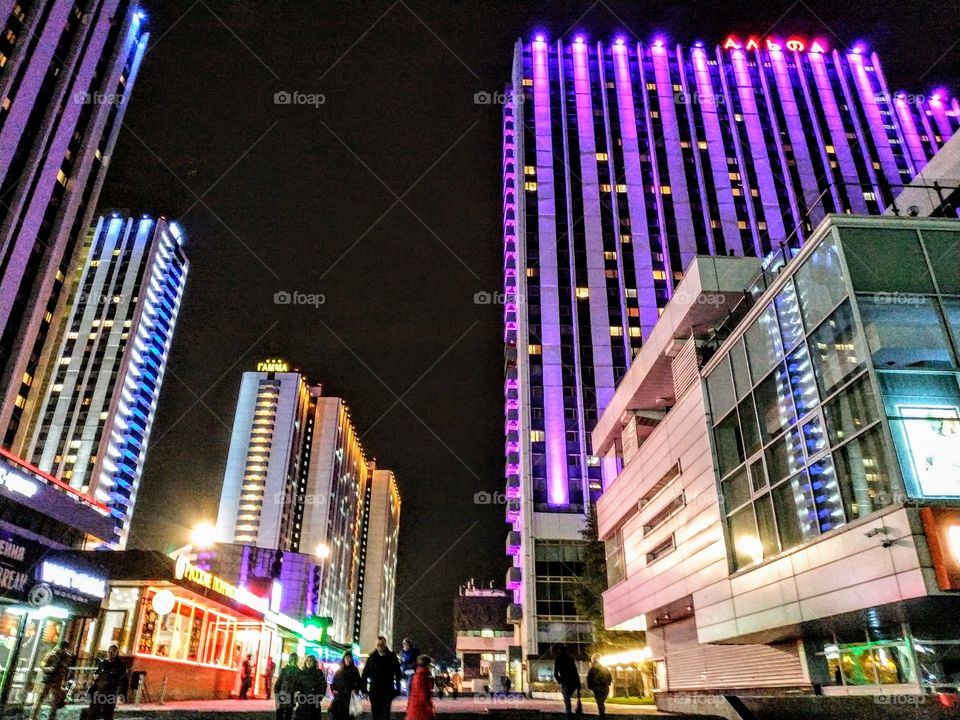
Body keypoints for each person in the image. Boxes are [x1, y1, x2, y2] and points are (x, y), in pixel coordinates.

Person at [361, 635, 402, 720]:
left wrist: (397, 690)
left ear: (385, 644)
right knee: (376, 715)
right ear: (376, 645)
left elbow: (398, 674)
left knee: (385, 715)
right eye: (378, 644)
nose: (380, 646)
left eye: (382, 644)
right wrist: (364, 690)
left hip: (387, 691)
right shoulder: (372, 658)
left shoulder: (392, 657)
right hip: (375, 692)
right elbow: (365, 675)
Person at [31, 641, 71, 720]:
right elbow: (42, 666)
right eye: (63, 648)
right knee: (40, 699)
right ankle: (33, 717)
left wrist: (64, 677)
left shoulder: (66, 657)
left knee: (56, 700)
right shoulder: (52, 655)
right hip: (48, 679)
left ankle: (52, 717)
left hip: (58, 680)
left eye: (65, 648)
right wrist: (49, 669)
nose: (64, 649)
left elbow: (66, 668)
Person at [86, 644, 127, 720]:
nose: (110, 653)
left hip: (110, 693)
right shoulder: (103, 663)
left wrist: (121, 695)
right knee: (92, 713)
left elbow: (123, 681)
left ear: (116, 653)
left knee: (107, 715)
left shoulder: (120, 666)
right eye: (109, 651)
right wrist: (95, 676)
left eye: (113, 652)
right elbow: (97, 673)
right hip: (99, 691)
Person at [330, 652, 363, 720]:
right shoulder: (339, 670)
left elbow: (359, 683)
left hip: (349, 698)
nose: (348, 659)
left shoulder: (354, 670)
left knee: (349, 717)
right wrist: (334, 690)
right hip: (339, 698)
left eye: (350, 658)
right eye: (347, 658)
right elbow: (334, 683)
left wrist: (355, 689)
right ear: (344, 659)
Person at [294, 655, 327, 720]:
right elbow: (296, 687)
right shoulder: (301, 673)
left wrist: (317, 698)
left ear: (314, 662)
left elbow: (322, 687)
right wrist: (298, 697)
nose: (308, 662)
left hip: (313, 704)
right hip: (302, 704)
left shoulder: (318, 673)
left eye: (311, 660)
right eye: (307, 660)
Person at [553, 645, 581, 719]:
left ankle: (568, 712)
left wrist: (559, 680)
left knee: (566, 696)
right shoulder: (570, 658)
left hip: (565, 680)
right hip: (573, 680)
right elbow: (575, 671)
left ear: (560, 651)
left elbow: (555, 671)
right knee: (568, 695)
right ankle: (569, 711)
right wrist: (578, 683)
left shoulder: (558, 658)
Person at [405, 655, 435, 720]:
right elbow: (422, 693)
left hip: (417, 706)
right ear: (427, 664)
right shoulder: (421, 676)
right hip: (420, 707)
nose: (431, 666)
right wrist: (429, 706)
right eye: (430, 664)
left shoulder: (421, 674)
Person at [586, 654, 612, 720]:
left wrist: (590, 686)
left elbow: (589, 678)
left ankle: (602, 714)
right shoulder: (604, 668)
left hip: (598, 687)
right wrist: (608, 684)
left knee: (599, 702)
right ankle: (602, 714)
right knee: (601, 702)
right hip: (605, 687)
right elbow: (609, 677)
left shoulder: (592, 669)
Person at [275, 654, 301, 720]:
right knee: (279, 716)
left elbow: (299, 687)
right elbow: (277, 685)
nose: (294, 660)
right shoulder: (284, 670)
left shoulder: (299, 672)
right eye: (292, 658)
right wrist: (277, 698)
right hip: (282, 697)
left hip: (291, 698)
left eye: (295, 659)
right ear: (290, 659)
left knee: (288, 716)